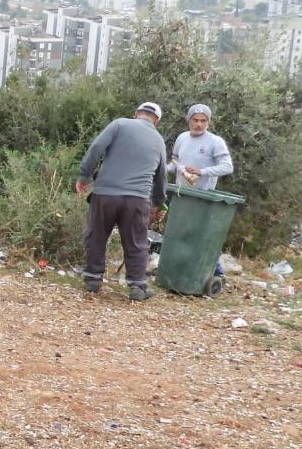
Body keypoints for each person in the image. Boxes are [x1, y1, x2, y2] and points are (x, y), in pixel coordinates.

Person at [76, 102, 168, 301]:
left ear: (136, 114)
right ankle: (137, 287)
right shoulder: (159, 140)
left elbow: (96, 148)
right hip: (137, 199)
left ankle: (92, 280)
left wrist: (84, 175)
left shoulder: (119, 124)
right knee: (136, 242)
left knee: (97, 235)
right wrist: (159, 203)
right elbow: (161, 177)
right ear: (156, 121)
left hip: (106, 194)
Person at [168, 102, 234, 279]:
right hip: (181, 194)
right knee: (179, 234)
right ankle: (178, 271)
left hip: (203, 198)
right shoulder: (182, 138)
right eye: (195, 120)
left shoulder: (215, 142)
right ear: (188, 120)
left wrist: (202, 172)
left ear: (208, 122)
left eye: (203, 121)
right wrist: (161, 170)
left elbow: (227, 167)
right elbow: (175, 163)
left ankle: (217, 274)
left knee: (202, 236)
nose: (199, 124)